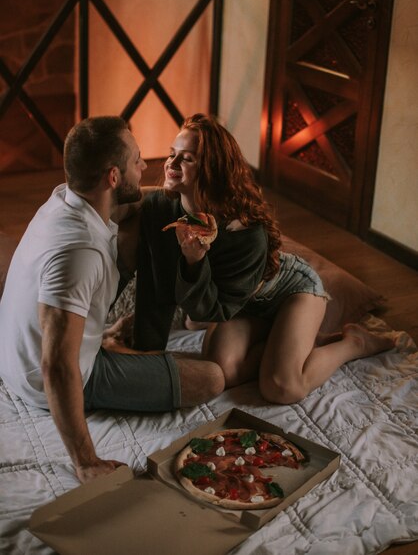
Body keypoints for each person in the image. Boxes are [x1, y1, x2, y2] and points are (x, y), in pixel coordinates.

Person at [0, 116, 225, 485]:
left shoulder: (64, 198)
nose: (145, 165)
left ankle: (118, 338)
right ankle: (111, 348)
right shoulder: (79, 254)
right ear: (114, 178)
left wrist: (190, 199)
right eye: (137, 160)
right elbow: (56, 365)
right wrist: (86, 461)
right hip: (43, 380)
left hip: (12, 358)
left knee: (144, 216)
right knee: (212, 379)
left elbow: (142, 204)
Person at [118, 113, 394, 405]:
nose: (171, 164)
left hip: (289, 293)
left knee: (281, 387)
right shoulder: (160, 209)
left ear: (212, 168)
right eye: (172, 154)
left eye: (186, 158)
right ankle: (295, 344)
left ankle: (353, 343)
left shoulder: (246, 233)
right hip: (243, 305)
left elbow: (212, 311)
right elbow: (156, 287)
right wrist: (145, 354)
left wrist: (194, 262)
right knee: (222, 371)